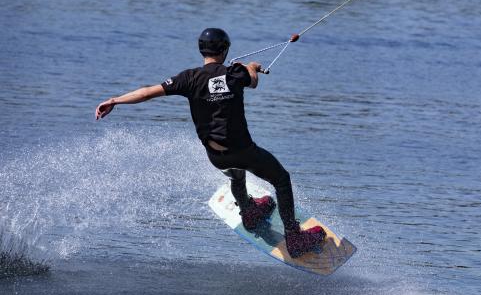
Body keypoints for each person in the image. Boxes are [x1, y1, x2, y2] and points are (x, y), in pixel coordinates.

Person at [95, 28, 326, 258]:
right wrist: (251, 67)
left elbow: (147, 93)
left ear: (201, 50)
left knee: (236, 174)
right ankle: (294, 237)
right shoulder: (235, 73)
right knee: (281, 179)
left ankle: (249, 211)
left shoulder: (188, 78)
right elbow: (253, 81)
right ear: (225, 50)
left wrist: (115, 100)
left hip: (215, 156)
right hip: (244, 151)